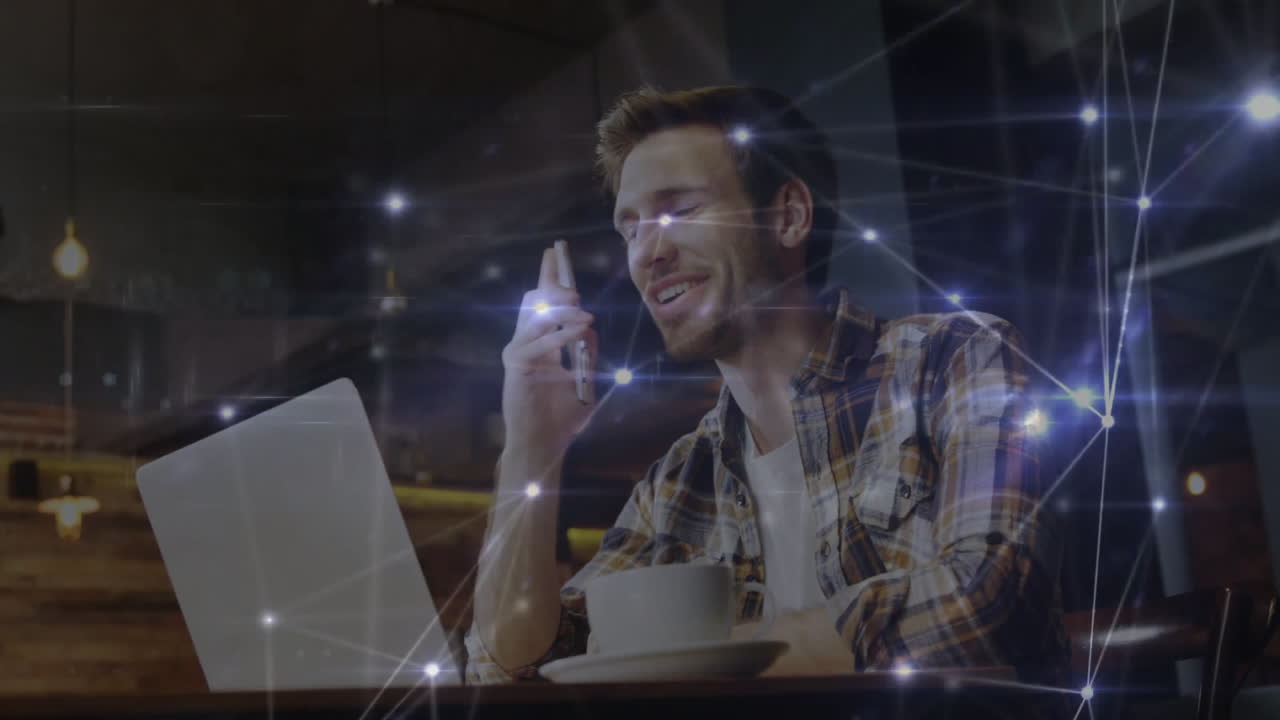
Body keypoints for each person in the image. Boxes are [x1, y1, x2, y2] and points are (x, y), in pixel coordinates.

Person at [466, 85, 1068, 706]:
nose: (649, 251)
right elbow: (510, 669)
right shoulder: (676, 484)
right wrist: (531, 447)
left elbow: (992, 603)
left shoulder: (954, 359)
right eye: (632, 228)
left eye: (679, 211)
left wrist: (724, 653)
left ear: (788, 216)